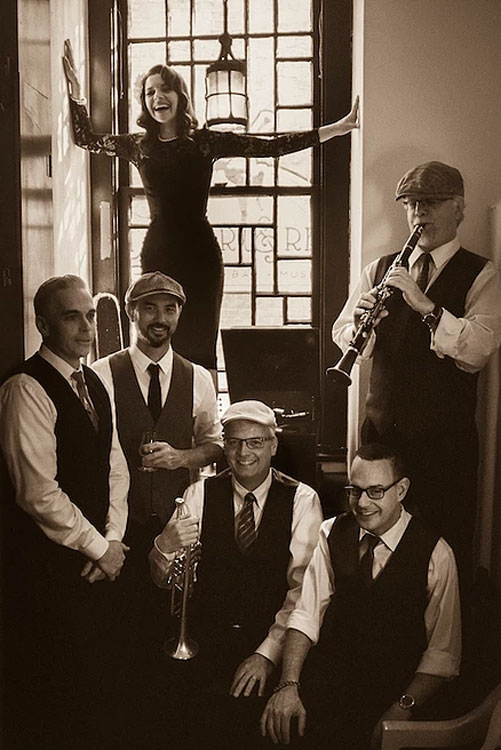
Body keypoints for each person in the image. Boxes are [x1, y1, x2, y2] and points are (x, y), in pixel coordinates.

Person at [63, 40, 359, 373]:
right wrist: (76, 94)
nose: (157, 97)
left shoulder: (205, 142)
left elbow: (271, 147)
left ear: (180, 95)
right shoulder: (139, 145)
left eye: (165, 89)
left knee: (201, 347)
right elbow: (87, 139)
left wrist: (336, 129)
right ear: (144, 102)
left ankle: (203, 407)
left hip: (201, 258)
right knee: (156, 343)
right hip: (158, 256)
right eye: (149, 92)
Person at [332, 161, 501, 586]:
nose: (418, 213)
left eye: (431, 202)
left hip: (446, 446)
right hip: (383, 439)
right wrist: (361, 326)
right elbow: (344, 334)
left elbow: (478, 350)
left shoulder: (483, 273)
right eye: (410, 204)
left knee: (446, 549)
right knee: (377, 547)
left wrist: (425, 306)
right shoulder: (379, 269)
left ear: (459, 208)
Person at [260, 442, 461, 750]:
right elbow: (305, 615)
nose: (362, 503)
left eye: (375, 491)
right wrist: (288, 684)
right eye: (355, 491)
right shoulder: (331, 532)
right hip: (333, 687)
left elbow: (442, 655)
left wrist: (403, 709)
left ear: (401, 490)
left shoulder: (437, 553)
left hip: (399, 694)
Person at [0, 274, 130, 748]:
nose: (87, 327)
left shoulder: (93, 380)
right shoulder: (25, 388)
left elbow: (115, 465)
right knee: (52, 694)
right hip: (44, 572)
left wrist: (113, 540)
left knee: (95, 686)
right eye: (71, 317)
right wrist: (100, 548)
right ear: (43, 325)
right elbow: (38, 494)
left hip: (95, 563)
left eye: (90, 315)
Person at [149, 399, 324, 749]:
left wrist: (266, 655)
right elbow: (167, 582)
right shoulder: (198, 494)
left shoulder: (303, 500)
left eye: (255, 442)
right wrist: (162, 547)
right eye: (234, 442)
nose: (244, 453)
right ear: (224, 446)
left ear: (273, 445)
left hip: (269, 646)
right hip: (204, 646)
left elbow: (303, 593)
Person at [91, 271, 223, 652]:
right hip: (116, 527)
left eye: (169, 309)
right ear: (131, 312)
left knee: (167, 628)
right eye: (149, 308)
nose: (160, 318)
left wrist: (181, 457)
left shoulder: (198, 378)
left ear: (179, 315)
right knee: (118, 631)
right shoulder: (101, 374)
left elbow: (215, 446)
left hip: (175, 526)